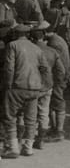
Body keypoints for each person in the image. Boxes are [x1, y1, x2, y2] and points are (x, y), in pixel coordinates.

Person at [3, 24, 49, 157]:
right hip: (34, 88)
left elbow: (9, 68)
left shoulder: (12, 45)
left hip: (17, 86)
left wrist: (8, 85)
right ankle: (28, 148)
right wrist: (43, 86)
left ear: (14, 34)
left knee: (10, 116)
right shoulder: (36, 48)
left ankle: (13, 148)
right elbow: (45, 69)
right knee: (30, 119)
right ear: (28, 34)